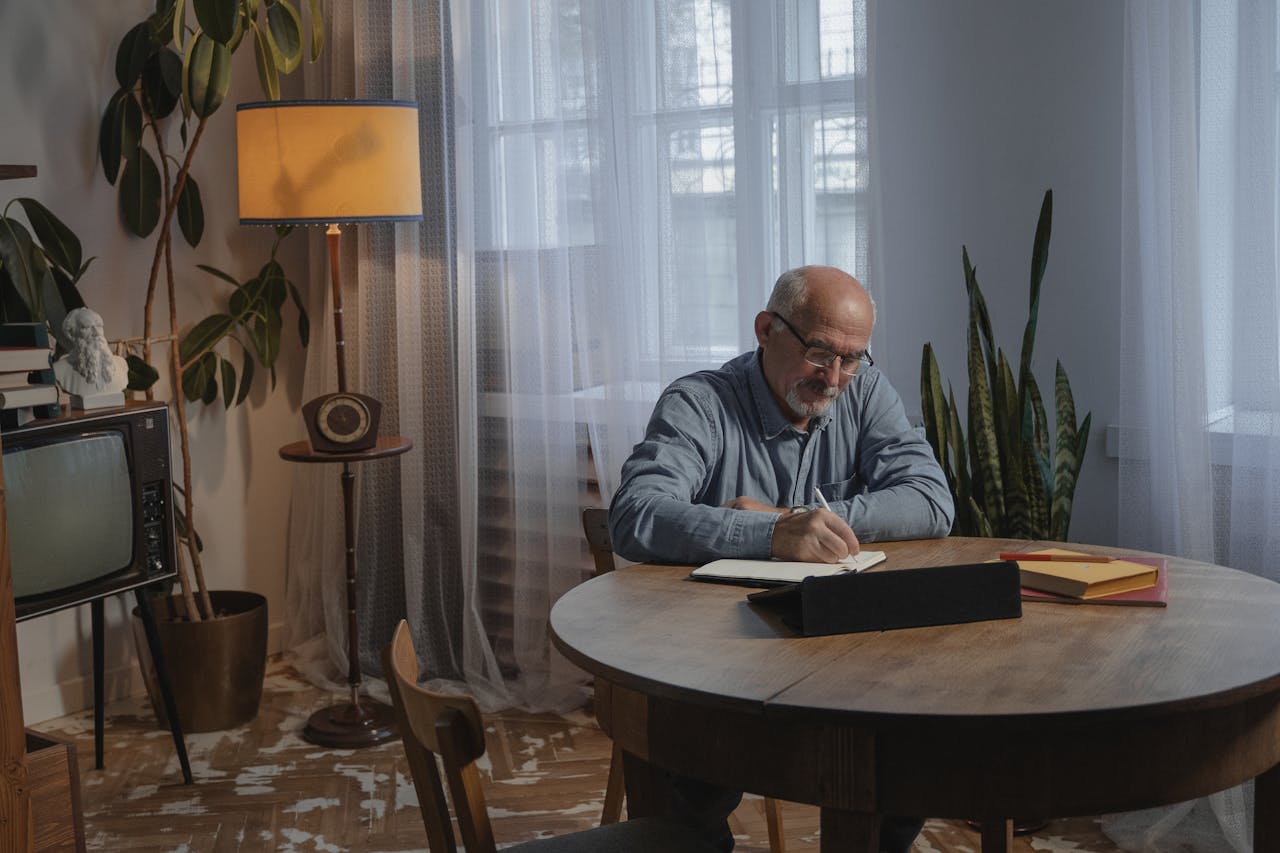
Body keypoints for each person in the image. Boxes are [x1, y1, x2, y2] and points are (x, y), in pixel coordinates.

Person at [608, 265, 955, 853]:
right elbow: (635, 514)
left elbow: (931, 501)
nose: (835, 378)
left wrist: (780, 517)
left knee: (909, 763)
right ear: (766, 329)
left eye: (852, 359)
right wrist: (772, 537)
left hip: (849, 655)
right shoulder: (700, 402)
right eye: (821, 353)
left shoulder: (865, 392)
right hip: (716, 658)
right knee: (693, 800)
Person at [53, 307, 128, 408]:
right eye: (86, 327)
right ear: (72, 334)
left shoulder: (121, 364)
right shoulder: (60, 369)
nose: (97, 333)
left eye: (99, 326)